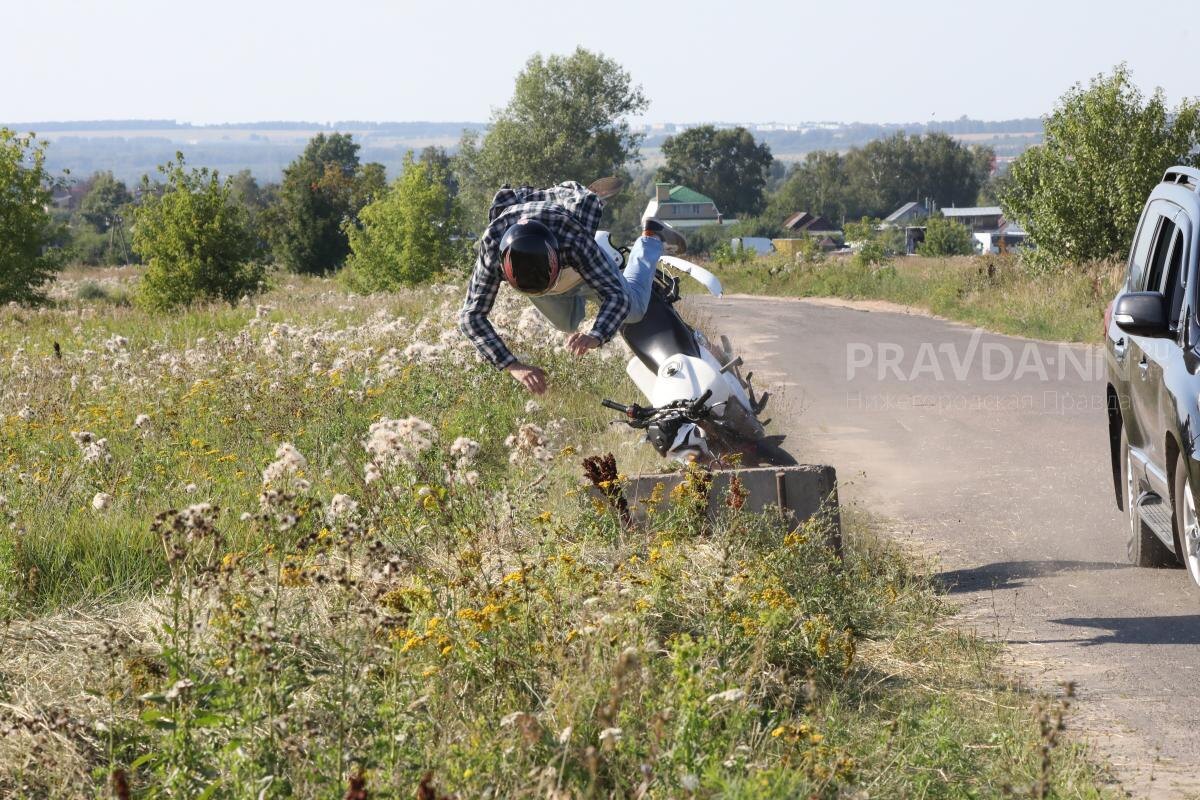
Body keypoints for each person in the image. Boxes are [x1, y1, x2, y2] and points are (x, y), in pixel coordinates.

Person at [458, 180, 686, 395]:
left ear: (557, 257)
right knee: (567, 323)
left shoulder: (573, 239)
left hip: (578, 259)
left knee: (634, 311)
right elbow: (470, 316)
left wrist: (596, 335)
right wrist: (513, 366)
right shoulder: (492, 249)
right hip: (552, 257)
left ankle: (651, 237)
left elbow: (616, 296)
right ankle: (573, 209)